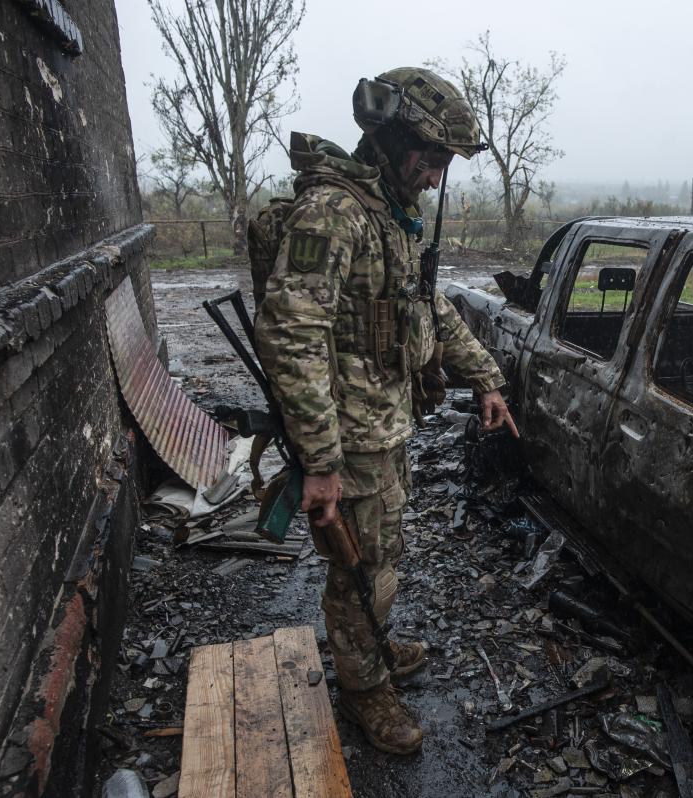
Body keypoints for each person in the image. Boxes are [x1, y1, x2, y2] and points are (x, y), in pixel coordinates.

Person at [253, 67, 518, 755]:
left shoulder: (392, 219)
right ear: (393, 141)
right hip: (347, 438)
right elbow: (290, 331)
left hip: (386, 422)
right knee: (360, 565)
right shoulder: (334, 214)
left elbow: (429, 308)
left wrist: (485, 377)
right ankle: (366, 690)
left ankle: (372, 648)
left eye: (441, 166)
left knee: (384, 551)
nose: (434, 178)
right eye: (430, 161)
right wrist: (318, 460)